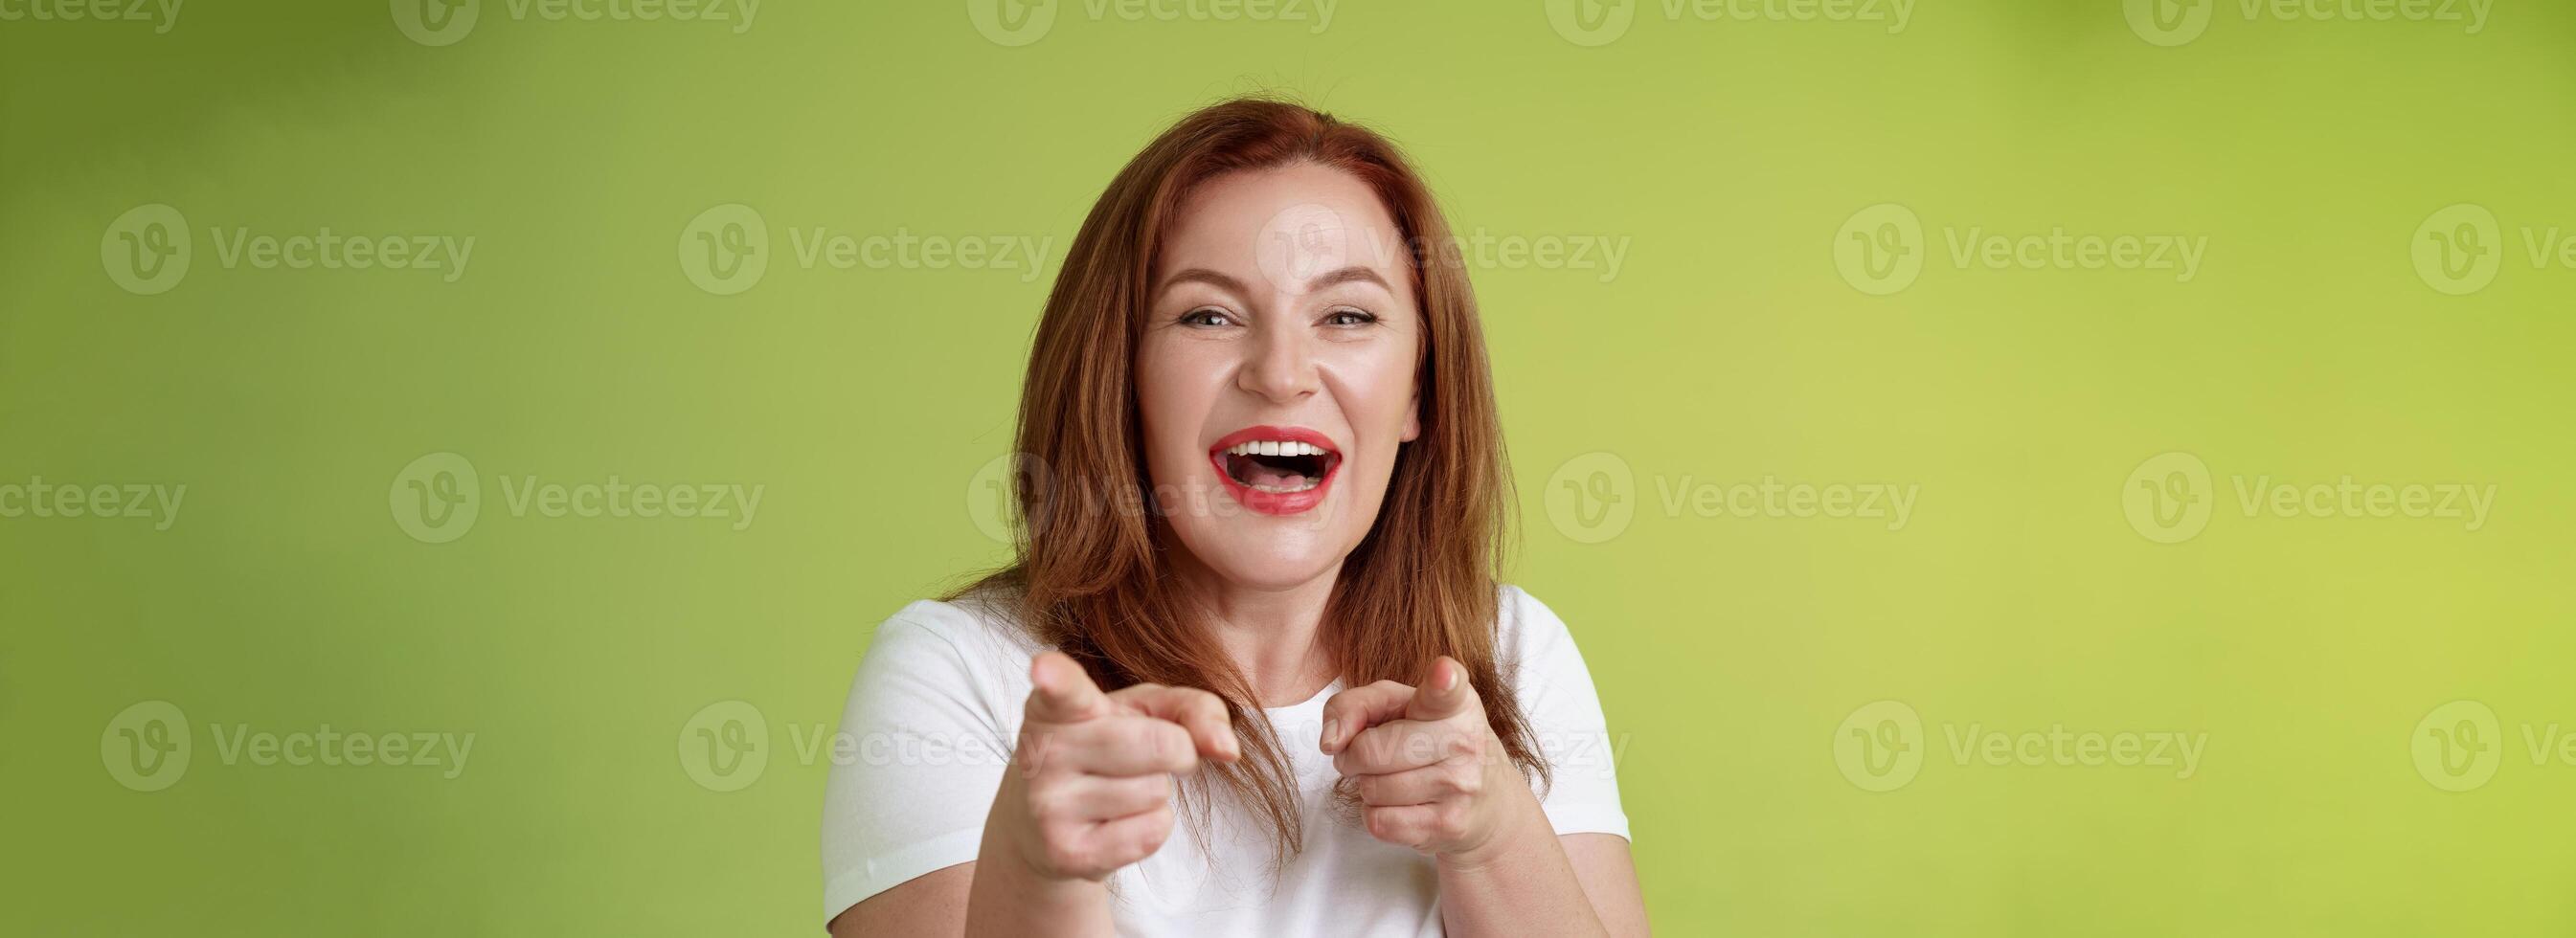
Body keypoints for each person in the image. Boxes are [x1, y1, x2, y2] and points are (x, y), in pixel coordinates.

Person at [822, 97, 1647, 937]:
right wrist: (1040, 877)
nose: (1282, 373)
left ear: (1419, 394)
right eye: (1207, 315)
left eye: (1348, 316)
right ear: (1122, 378)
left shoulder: (1514, 650)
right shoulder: (957, 673)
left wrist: (1497, 834)